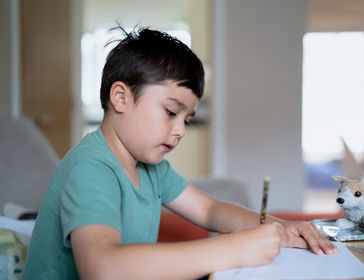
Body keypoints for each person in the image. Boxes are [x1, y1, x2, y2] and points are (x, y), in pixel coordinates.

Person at [23, 26, 337, 280]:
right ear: (120, 97)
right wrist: (232, 250)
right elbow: (102, 268)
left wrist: (280, 226)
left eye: (186, 120)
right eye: (171, 112)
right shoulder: (91, 167)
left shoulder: (149, 166)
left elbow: (210, 211)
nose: (180, 130)